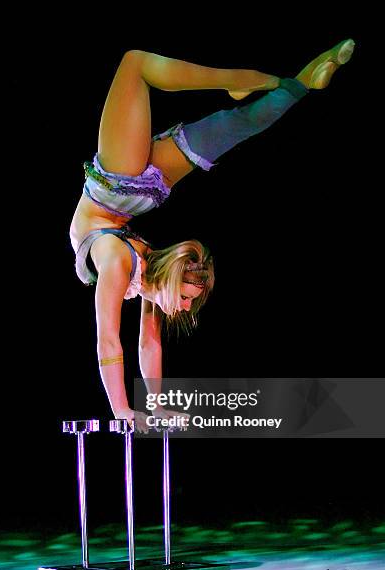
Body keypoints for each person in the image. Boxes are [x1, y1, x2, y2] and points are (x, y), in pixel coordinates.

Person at [69, 40, 355, 431]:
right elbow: (149, 345)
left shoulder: (119, 263)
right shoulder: (146, 267)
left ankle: (244, 80)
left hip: (117, 187)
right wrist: (154, 407)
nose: (185, 310)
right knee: (234, 127)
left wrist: (124, 411)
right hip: (133, 194)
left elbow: (110, 342)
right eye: (188, 301)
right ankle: (299, 83)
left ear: (173, 279)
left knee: (134, 63)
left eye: (186, 299)